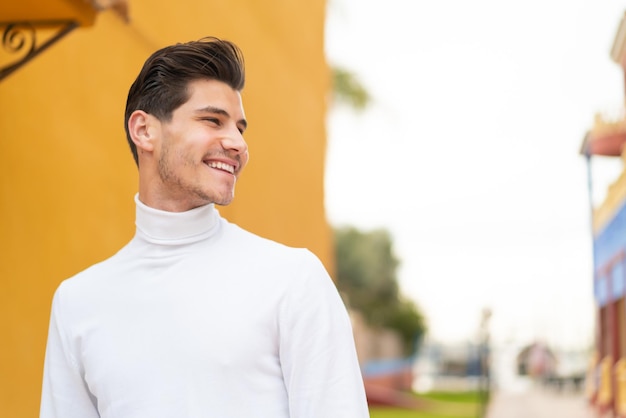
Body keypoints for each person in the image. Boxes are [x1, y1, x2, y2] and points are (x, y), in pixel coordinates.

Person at [40, 37, 369, 418]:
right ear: (144, 130)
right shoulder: (77, 303)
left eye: (240, 129)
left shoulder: (292, 280)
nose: (237, 144)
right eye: (212, 120)